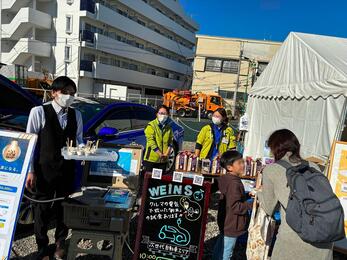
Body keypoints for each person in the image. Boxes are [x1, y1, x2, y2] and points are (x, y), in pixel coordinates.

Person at [26, 76, 83, 260]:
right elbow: (29, 145)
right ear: (54, 93)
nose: (69, 96)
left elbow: (79, 142)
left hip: (67, 169)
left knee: (63, 208)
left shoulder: (77, 114)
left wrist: (85, 151)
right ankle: (42, 246)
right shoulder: (39, 112)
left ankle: (60, 243)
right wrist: (30, 171)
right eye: (65, 92)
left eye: (72, 93)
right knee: (41, 210)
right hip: (45, 170)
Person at [257, 129, 333, 260]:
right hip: (325, 237)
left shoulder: (271, 170)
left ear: (275, 149)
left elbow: (269, 208)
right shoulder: (313, 166)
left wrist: (259, 192)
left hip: (295, 241)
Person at [213, 150, 252, 260]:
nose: (243, 165)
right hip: (232, 222)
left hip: (224, 220)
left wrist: (246, 196)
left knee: (221, 247)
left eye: (243, 162)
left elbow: (232, 197)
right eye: (239, 163)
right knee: (227, 253)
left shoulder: (224, 178)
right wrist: (252, 204)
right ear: (230, 167)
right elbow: (235, 206)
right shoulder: (234, 183)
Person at [143, 105, 174, 173]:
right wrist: (159, 153)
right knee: (148, 180)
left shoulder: (168, 128)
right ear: (157, 114)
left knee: (159, 181)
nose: (162, 115)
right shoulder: (151, 125)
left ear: (168, 115)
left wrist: (166, 153)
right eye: (160, 113)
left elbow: (170, 141)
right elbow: (151, 141)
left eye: (165, 114)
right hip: (151, 159)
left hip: (163, 160)